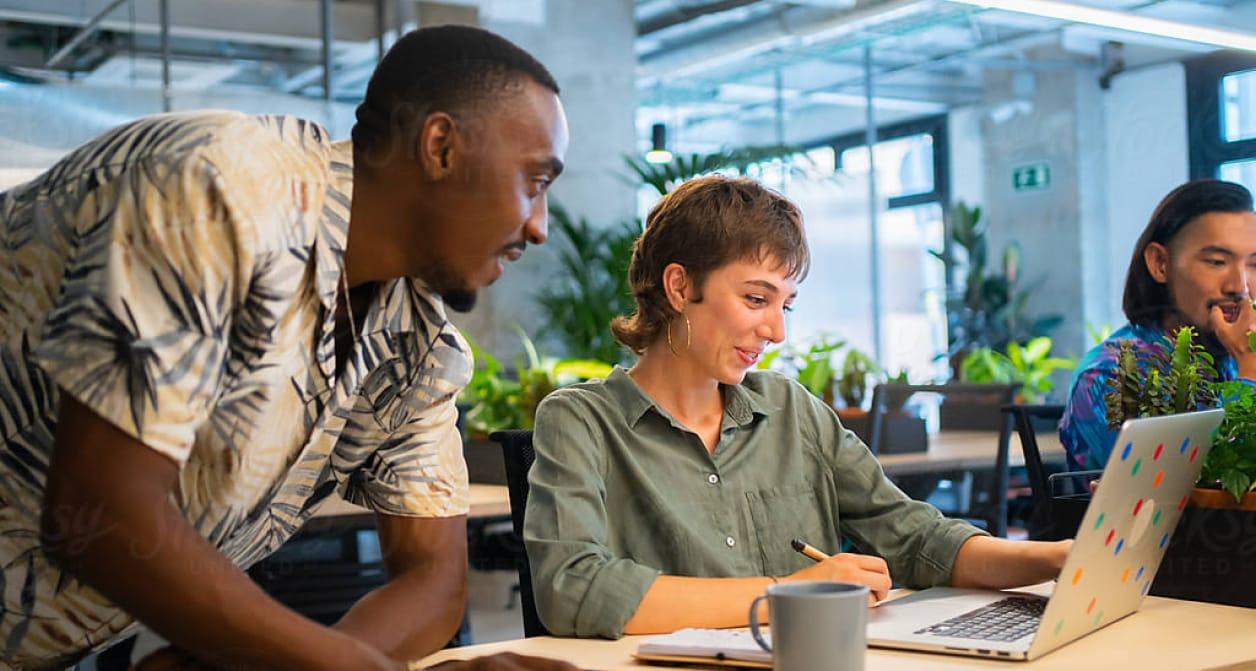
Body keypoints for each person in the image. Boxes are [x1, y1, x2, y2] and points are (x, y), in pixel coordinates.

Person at [0, 25, 577, 671]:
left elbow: (434, 583)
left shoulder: (419, 341)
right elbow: (98, 512)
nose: (540, 226)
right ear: (440, 146)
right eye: (536, 179)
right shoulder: (221, 189)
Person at [522, 175, 1071, 639]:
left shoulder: (790, 410)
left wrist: (1057, 559)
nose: (777, 331)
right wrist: (792, 594)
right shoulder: (581, 421)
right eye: (756, 299)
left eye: (786, 305)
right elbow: (573, 588)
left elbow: (915, 536)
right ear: (679, 286)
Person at [1061, 179, 1256, 471]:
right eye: (1217, 261)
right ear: (1160, 264)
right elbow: (1193, 486)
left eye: (1254, 264)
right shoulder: (1111, 373)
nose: (1239, 286)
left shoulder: (1229, 358)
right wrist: (1250, 371)